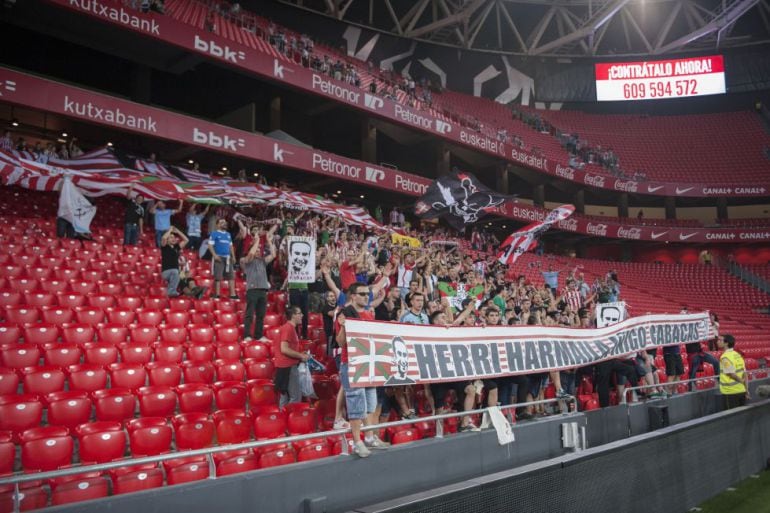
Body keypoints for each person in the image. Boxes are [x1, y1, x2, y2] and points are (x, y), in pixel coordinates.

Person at [336, 282, 390, 457]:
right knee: (356, 403)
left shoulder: (367, 314)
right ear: (353, 296)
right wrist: (344, 325)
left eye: (368, 294)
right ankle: (357, 442)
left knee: (369, 404)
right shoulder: (344, 314)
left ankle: (369, 437)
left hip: (368, 364)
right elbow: (340, 343)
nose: (367, 297)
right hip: (351, 364)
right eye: (363, 294)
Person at [241, 227, 277, 341]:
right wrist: (257, 241)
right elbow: (251, 254)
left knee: (261, 315)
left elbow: (273, 255)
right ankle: (247, 335)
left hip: (263, 290)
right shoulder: (246, 260)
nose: (258, 251)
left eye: (258, 250)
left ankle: (258, 335)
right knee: (249, 314)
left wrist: (269, 241)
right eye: (256, 250)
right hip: (252, 290)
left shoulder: (262, 261)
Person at [274, 306, 309, 408]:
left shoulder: (289, 328)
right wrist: (301, 356)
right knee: (295, 397)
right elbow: (284, 349)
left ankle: (282, 419)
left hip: (285, 366)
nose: (302, 315)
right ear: (293, 315)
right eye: (299, 313)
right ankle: (288, 419)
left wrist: (299, 354)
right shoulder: (288, 328)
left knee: (285, 396)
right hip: (288, 366)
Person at [208, 218, 238, 300]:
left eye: (225, 222)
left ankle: (232, 294)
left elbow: (231, 246)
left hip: (228, 257)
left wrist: (234, 256)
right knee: (218, 276)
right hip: (219, 257)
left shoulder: (228, 234)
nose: (224, 224)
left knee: (231, 276)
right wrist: (214, 255)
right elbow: (210, 245)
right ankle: (217, 294)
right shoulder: (214, 233)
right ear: (217, 225)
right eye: (221, 222)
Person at [718, 334, 749, 410]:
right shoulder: (738, 355)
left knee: (731, 419)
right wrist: (747, 390)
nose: (717, 342)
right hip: (742, 390)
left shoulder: (725, 357)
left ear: (726, 343)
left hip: (730, 392)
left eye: (720, 340)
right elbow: (745, 374)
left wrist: (741, 381)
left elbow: (731, 374)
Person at [160, 226, 188, 297]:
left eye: (174, 237)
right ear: (167, 240)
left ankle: (172, 294)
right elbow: (163, 238)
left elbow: (186, 240)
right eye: (171, 237)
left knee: (179, 277)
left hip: (174, 272)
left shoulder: (176, 247)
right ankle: (171, 292)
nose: (173, 238)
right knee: (176, 272)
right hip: (166, 272)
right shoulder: (164, 247)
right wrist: (170, 230)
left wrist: (178, 231)